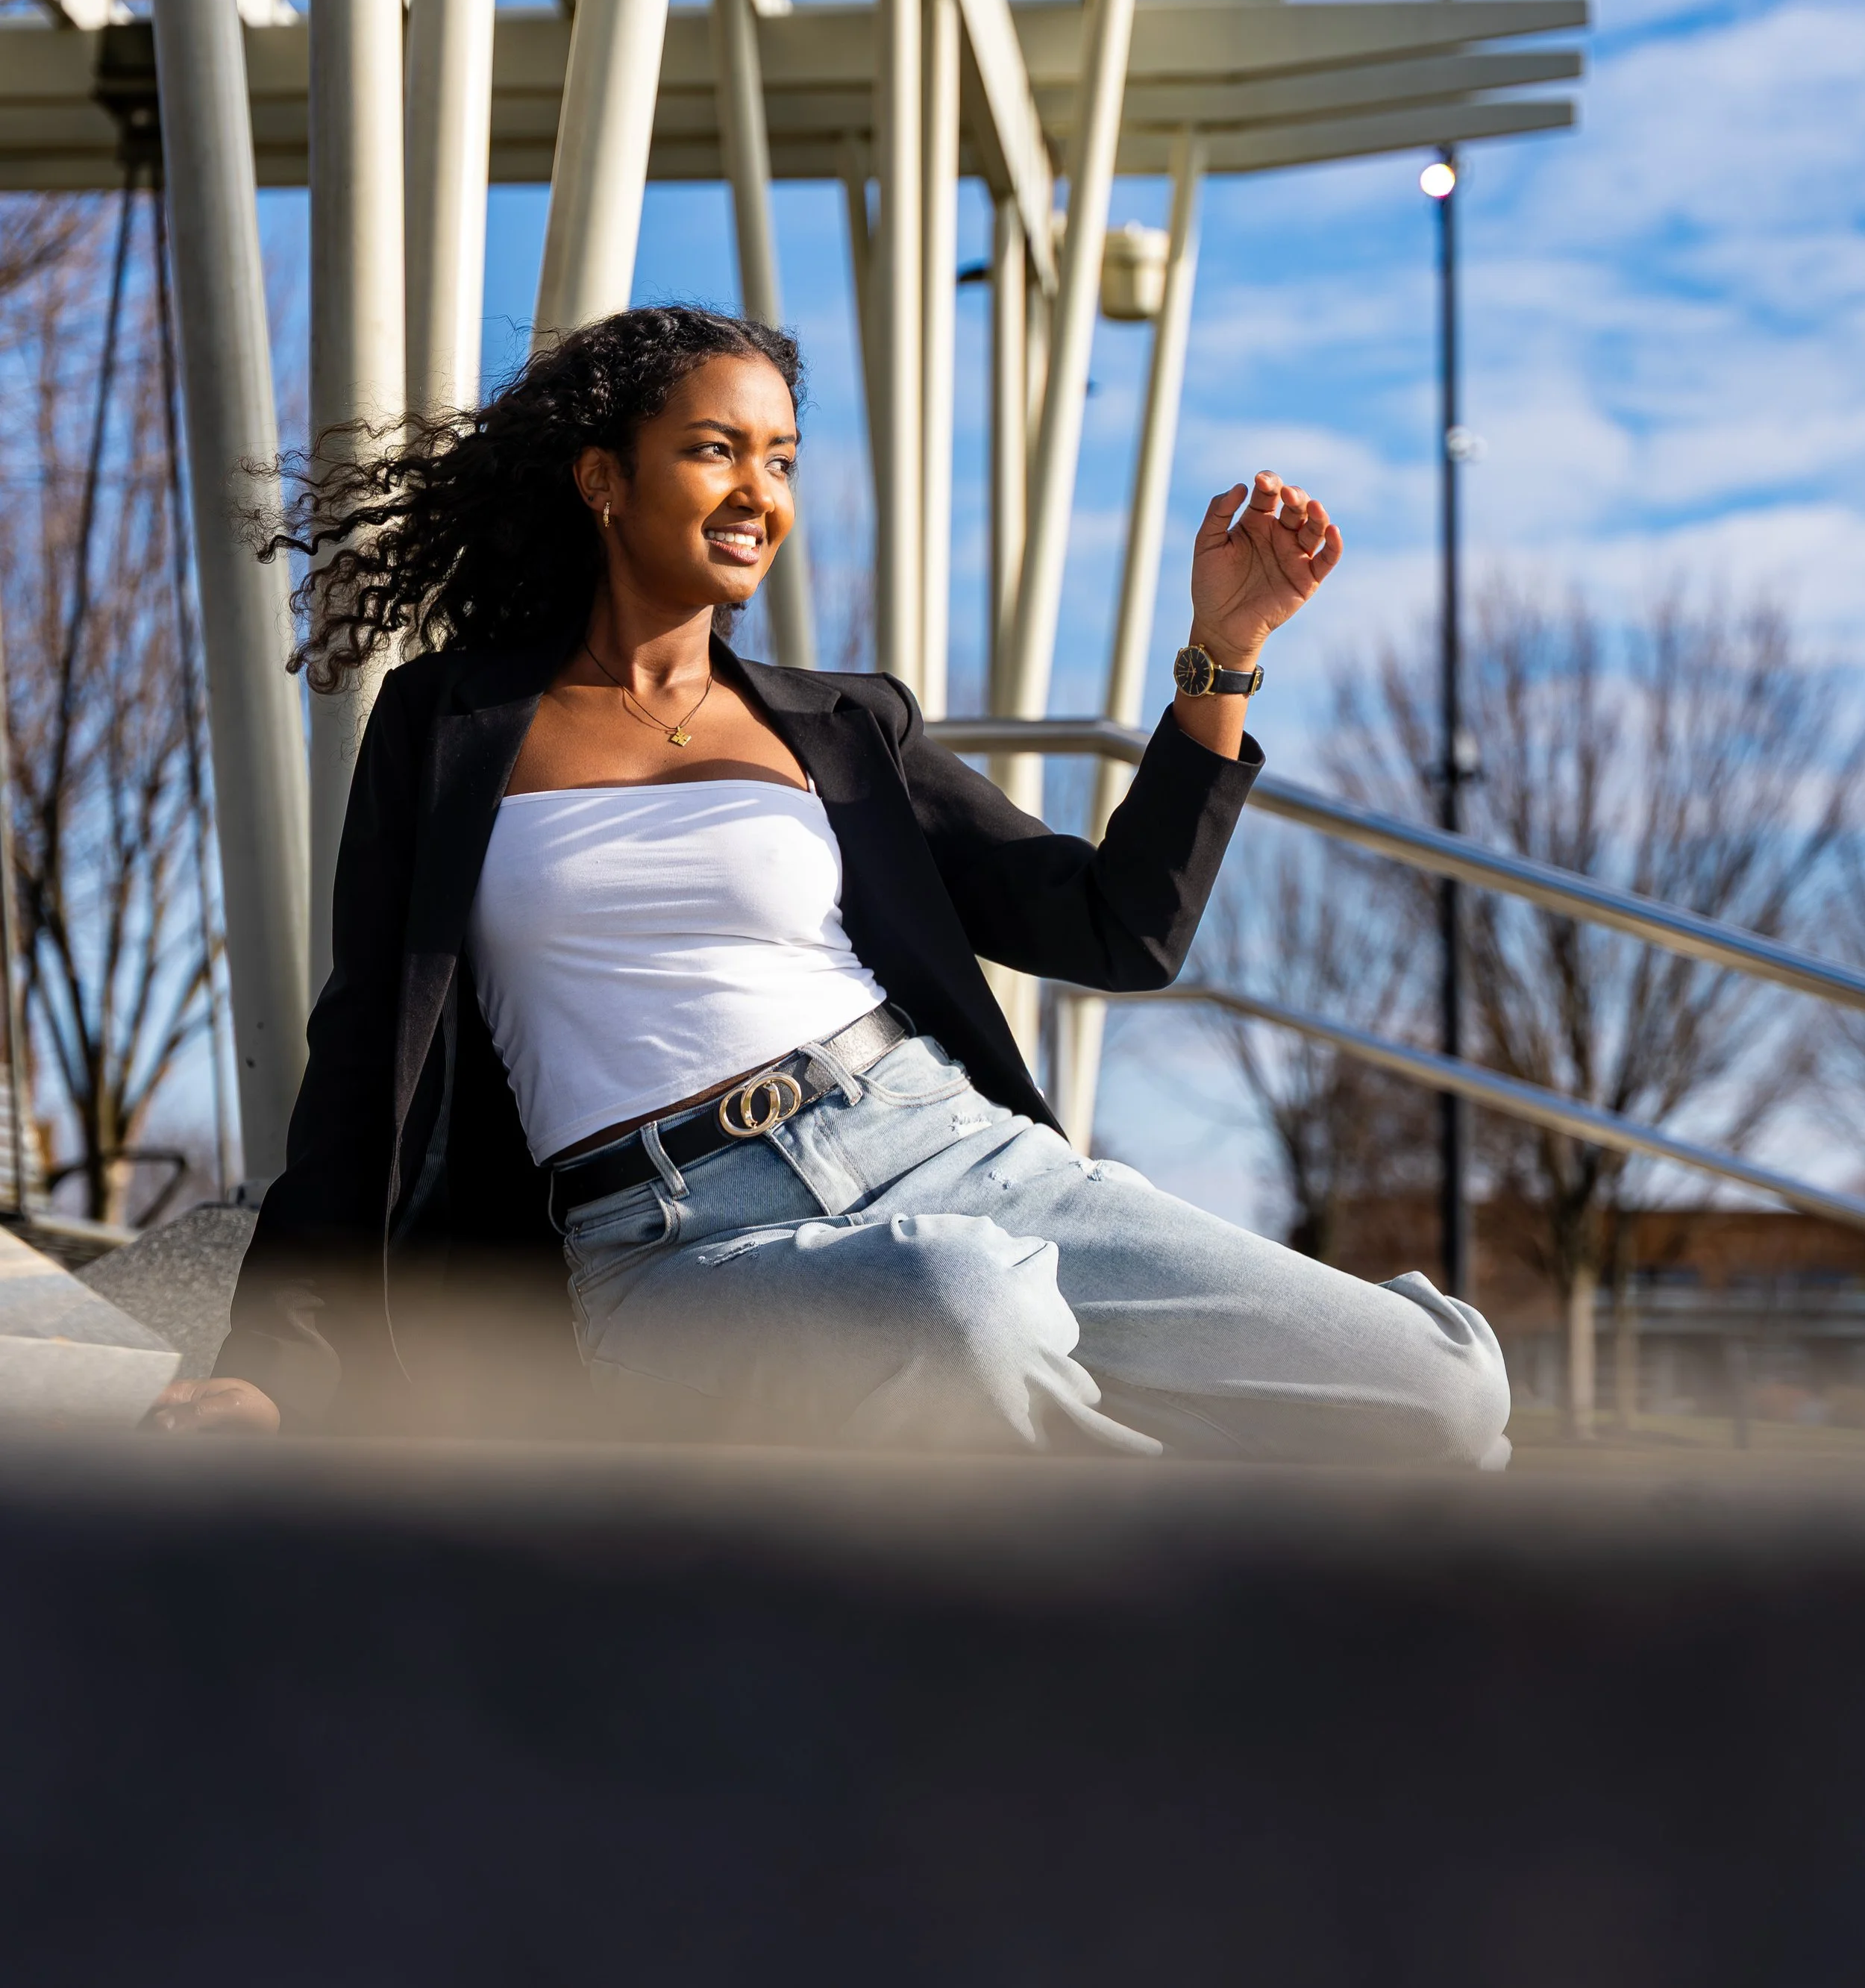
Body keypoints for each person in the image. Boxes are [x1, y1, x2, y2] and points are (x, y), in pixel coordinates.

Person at [152, 305, 1508, 1462]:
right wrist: (275, 1359)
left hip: (947, 1147)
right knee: (960, 1307)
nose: (761, 491)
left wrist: (1222, 652)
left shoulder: (845, 727)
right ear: (601, 481)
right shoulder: (448, 728)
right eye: (716, 449)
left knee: (1444, 1398)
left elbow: (1119, 929)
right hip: (673, 1238)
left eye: (782, 458)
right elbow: (360, 1065)